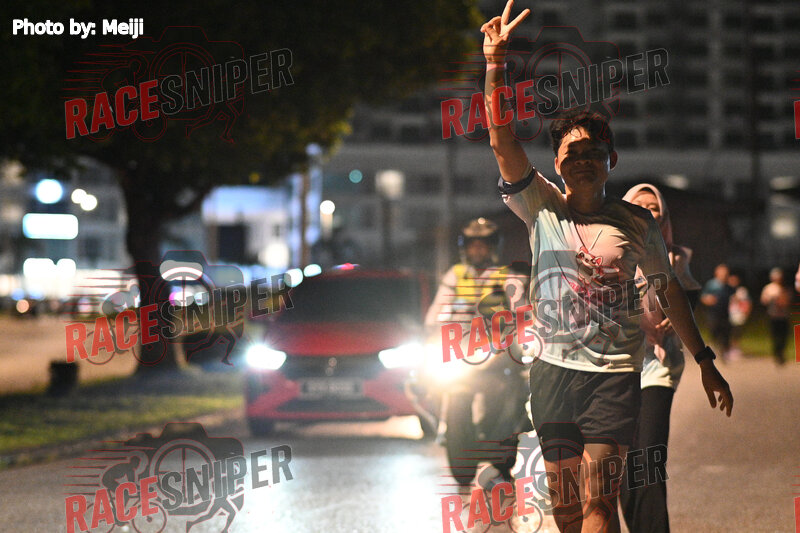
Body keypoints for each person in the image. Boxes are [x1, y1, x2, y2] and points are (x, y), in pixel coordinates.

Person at [480, 3, 733, 531]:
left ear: (609, 161)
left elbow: (669, 292)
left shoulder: (636, 223)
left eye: (593, 152)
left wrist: (705, 360)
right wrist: (496, 65)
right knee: (567, 508)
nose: (583, 159)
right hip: (552, 373)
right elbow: (502, 140)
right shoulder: (540, 206)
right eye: (572, 152)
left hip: (614, 377)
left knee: (599, 501)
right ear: (557, 164)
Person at [618, 184, 702, 533]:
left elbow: (688, 293)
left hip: (658, 364)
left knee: (650, 453)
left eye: (653, 207)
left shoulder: (675, 257)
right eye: (639, 205)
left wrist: (677, 318)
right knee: (623, 460)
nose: (647, 211)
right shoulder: (609, 252)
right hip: (616, 365)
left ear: (663, 216)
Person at [425, 217, 530, 485]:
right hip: (460, 350)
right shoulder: (455, 275)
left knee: (517, 386)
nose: (478, 250)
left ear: (493, 247)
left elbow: (521, 313)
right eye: (473, 245)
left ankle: (506, 442)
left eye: (483, 245)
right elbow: (436, 313)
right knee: (429, 379)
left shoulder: (508, 276)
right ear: (465, 248)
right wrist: (433, 329)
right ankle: (445, 427)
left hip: (496, 352)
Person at [700, 264, 735, 361]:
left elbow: (735, 297)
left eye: (726, 273)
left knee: (726, 332)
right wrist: (708, 300)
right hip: (713, 312)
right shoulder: (712, 285)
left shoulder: (729, 286)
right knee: (714, 329)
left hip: (725, 313)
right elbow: (703, 296)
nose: (724, 275)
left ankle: (724, 351)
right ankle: (713, 346)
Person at [760, 268, 791, 365]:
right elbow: (763, 301)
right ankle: (777, 353)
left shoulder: (785, 288)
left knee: (784, 336)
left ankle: (781, 352)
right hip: (773, 316)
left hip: (784, 316)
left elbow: (788, 301)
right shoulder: (769, 288)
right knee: (775, 335)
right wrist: (772, 299)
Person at [727, 272, 752, 360]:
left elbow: (747, 302)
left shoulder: (741, 291)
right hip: (728, 315)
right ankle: (727, 349)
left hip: (738, 316)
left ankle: (735, 349)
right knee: (728, 333)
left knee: (736, 333)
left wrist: (746, 313)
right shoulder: (726, 290)